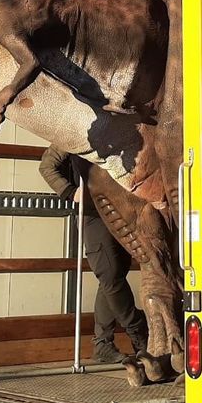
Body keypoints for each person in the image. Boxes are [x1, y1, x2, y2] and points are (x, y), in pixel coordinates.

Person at [39, 145, 149, 363]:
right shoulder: (72, 130)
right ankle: (138, 332)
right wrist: (70, 192)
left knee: (113, 275)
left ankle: (103, 344)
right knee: (110, 276)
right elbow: (47, 166)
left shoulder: (113, 129)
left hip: (119, 210)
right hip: (93, 215)